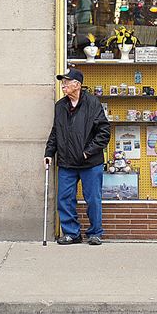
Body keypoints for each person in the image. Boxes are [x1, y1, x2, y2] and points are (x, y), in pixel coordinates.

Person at [44, 68, 110, 245]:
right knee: (64, 199)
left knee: (93, 199)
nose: (63, 85)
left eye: (66, 82)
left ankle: (95, 233)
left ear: (77, 85)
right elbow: (55, 131)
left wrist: (87, 152)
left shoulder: (92, 103)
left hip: (90, 162)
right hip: (67, 162)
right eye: (62, 82)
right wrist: (49, 153)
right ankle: (71, 233)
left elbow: (104, 132)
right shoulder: (60, 106)